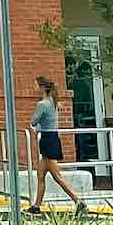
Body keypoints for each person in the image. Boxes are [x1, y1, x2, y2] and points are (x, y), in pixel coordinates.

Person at [28, 76, 87, 215]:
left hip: (47, 139)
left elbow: (34, 120)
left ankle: (79, 201)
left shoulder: (42, 104)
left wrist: (34, 127)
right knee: (40, 173)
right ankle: (36, 205)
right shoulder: (54, 102)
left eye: (36, 85)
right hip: (52, 138)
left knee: (57, 176)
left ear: (42, 87)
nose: (34, 88)